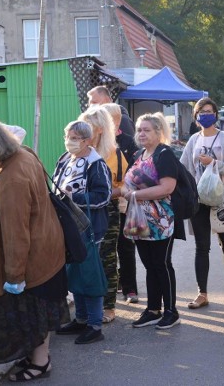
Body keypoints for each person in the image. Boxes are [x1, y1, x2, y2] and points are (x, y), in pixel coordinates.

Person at [0, 119, 68, 382]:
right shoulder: (23, 154)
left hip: (33, 259)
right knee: (41, 312)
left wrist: (15, 276)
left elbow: (15, 234)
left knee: (34, 314)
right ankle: (39, 358)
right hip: (47, 248)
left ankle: (41, 363)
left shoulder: (11, 178)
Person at [121, 112, 182, 329]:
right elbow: (126, 182)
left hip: (161, 219)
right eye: (139, 129)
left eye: (147, 130)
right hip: (139, 218)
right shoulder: (139, 154)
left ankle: (171, 311)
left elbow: (167, 188)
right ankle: (153, 309)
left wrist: (134, 195)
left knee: (162, 265)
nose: (142, 133)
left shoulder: (164, 154)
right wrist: (129, 192)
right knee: (149, 265)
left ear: (158, 132)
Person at [53, 121, 112, 344]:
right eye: (67, 136)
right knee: (75, 274)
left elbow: (104, 196)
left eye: (75, 137)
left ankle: (95, 324)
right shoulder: (64, 159)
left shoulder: (96, 164)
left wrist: (74, 198)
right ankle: (81, 319)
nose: (70, 141)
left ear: (87, 140)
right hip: (67, 228)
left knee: (89, 276)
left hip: (89, 230)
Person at [180, 97, 224, 309]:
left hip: (221, 197)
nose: (206, 114)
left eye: (209, 111)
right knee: (201, 246)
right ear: (197, 117)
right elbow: (184, 168)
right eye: (202, 111)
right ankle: (202, 293)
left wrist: (213, 163)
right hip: (199, 198)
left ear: (215, 114)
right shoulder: (194, 140)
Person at [78, 106, 127, 324]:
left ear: (99, 129)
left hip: (107, 210)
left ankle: (108, 306)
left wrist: (106, 193)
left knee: (106, 258)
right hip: (81, 211)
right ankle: (86, 307)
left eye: (88, 125)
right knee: (84, 257)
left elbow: (125, 185)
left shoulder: (113, 153)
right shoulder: (78, 152)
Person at [102, 103, 139, 303]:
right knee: (107, 248)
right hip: (104, 203)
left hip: (123, 200)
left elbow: (134, 170)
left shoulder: (127, 142)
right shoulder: (97, 143)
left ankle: (130, 288)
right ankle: (112, 285)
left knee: (125, 246)